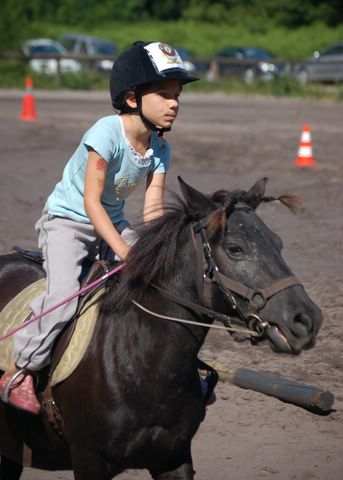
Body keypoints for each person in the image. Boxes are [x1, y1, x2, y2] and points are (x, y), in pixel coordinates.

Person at [0, 41, 198, 414]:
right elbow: (91, 203)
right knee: (62, 297)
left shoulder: (160, 147)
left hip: (113, 221)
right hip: (68, 223)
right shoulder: (106, 132)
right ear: (132, 98)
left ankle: (176, 371)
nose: (174, 104)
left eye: (177, 95)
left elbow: (153, 205)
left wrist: (154, 248)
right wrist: (124, 251)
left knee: (160, 276)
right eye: (164, 94)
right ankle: (19, 370)